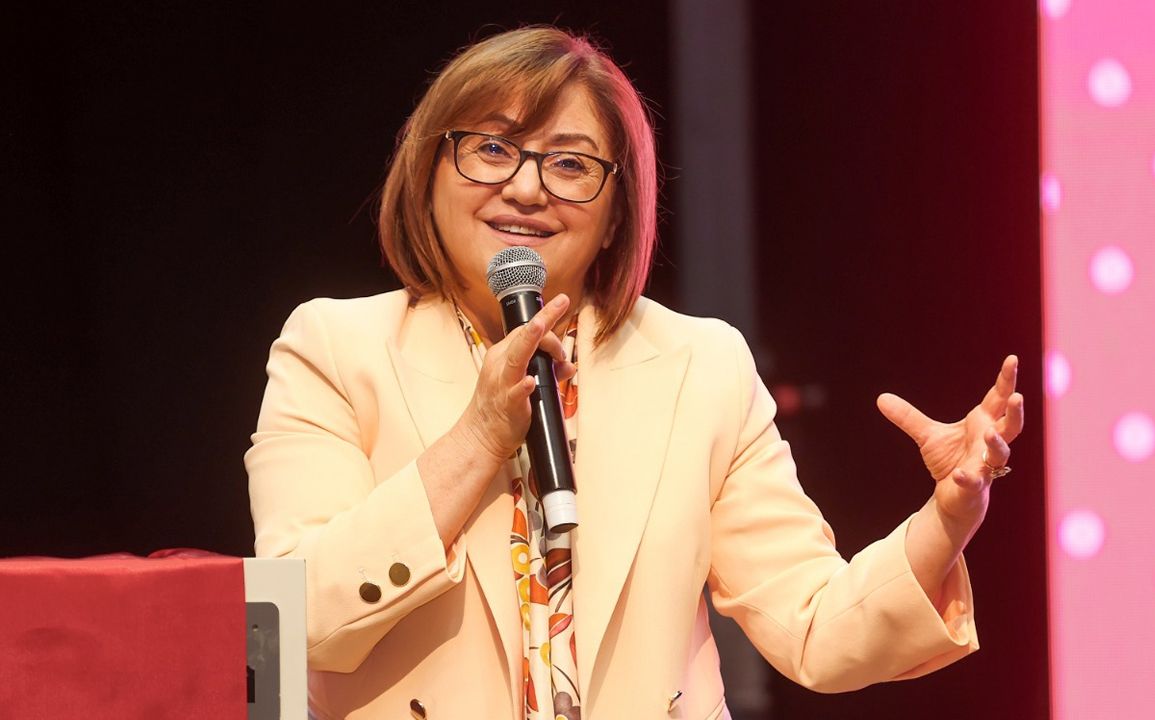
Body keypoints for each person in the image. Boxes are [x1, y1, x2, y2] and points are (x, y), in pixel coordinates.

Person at [246, 26, 1025, 720]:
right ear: (430, 169)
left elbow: (816, 627)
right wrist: (479, 437)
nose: (527, 187)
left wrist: (948, 517)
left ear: (617, 209)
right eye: (492, 149)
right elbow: (290, 623)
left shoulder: (701, 366)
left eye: (570, 163)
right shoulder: (336, 348)